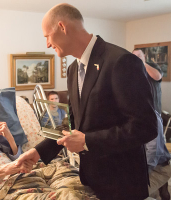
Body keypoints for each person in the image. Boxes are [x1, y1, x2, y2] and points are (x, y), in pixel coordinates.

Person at [16, 3, 157, 200]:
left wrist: (87, 141)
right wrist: (37, 152)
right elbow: (71, 122)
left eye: (47, 36)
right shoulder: (73, 70)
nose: (47, 44)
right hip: (91, 180)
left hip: (123, 183)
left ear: (62, 27)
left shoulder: (121, 61)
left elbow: (146, 127)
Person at [132, 49, 171, 200]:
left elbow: (157, 76)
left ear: (144, 57)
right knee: (153, 148)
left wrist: (142, 62)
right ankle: (161, 187)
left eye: (138, 56)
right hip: (139, 113)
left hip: (154, 112)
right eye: (133, 57)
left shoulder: (151, 66)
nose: (135, 59)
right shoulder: (132, 71)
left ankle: (163, 187)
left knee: (156, 146)